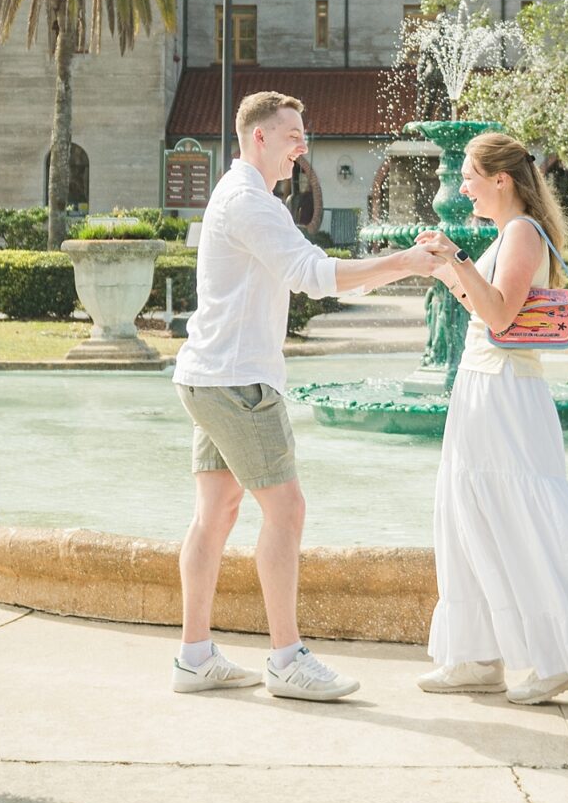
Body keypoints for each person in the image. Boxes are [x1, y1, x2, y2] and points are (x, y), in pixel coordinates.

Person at [171, 90, 439, 701]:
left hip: (210, 375)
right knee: (286, 511)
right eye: (293, 133)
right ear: (258, 137)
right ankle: (287, 660)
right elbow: (312, 276)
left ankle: (194, 657)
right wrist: (407, 263)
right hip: (236, 382)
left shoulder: (243, 196)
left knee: (216, 514)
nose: (303, 145)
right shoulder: (250, 203)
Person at [413, 132, 568, 705]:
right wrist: (450, 268)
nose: (462, 184)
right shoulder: (507, 234)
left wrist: (459, 260)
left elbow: (499, 318)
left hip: (506, 397)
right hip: (481, 389)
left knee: (526, 520)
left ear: (502, 180)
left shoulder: (522, 234)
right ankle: (477, 657)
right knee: (468, 518)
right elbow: (484, 307)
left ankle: (561, 657)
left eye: (470, 174)